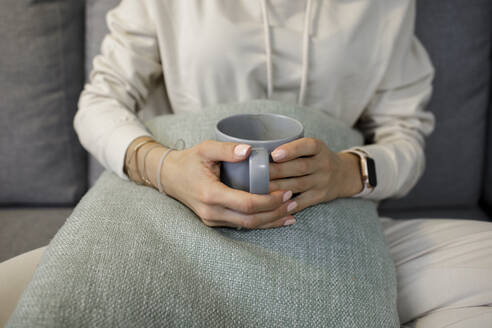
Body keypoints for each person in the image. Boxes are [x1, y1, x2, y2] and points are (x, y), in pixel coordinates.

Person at [1, 1, 491, 327]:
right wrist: (161, 167)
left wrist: (351, 171)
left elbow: (405, 131)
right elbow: (99, 102)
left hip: (321, 211)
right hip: (170, 201)